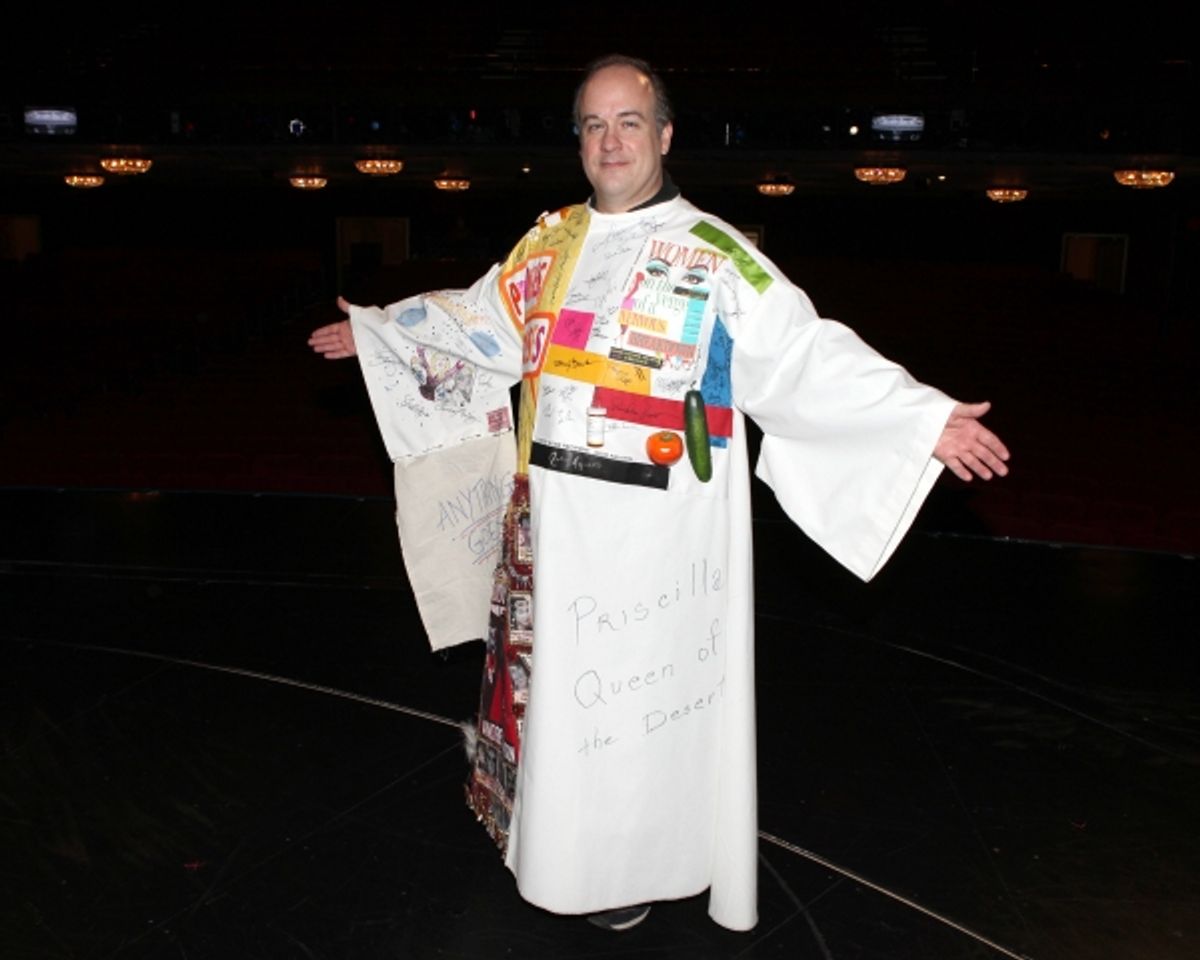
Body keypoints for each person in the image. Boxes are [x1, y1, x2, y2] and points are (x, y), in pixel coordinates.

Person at [308, 54, 1009, 933]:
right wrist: (379, 335)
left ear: (665, 136)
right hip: (558, 529)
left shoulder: (714, 255)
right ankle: (564, 856)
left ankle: (637, 864)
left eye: (629, 122)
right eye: (594, 125)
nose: (611, 140)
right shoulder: (550, 241)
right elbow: (483, 318)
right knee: (561, 702)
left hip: (662, 535)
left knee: (640, 714)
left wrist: (917, 418)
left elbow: (801, 354)